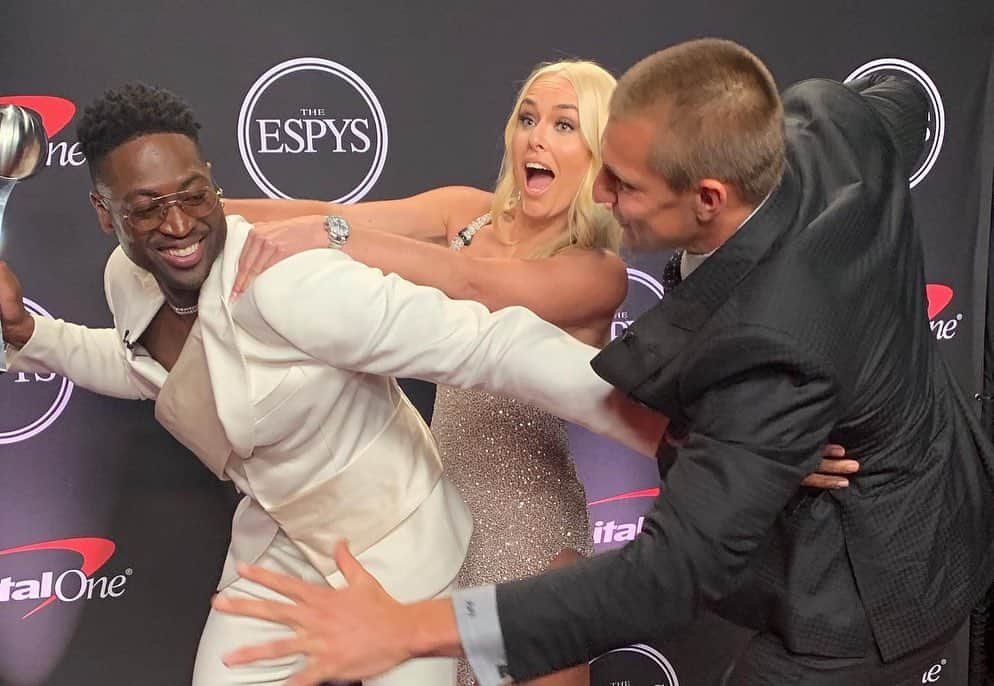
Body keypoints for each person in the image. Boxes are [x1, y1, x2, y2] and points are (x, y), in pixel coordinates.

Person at [212, 38, 994, 686]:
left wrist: (410, 630)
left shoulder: (769, 356)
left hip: (870, 582)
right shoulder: (830, 117)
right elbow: (892, 102)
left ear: (709, 197)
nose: (603, 193)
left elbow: (665, 575)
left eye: (622, 183)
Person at [0, 83, 666, 686]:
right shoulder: (127, 276)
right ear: (105, 214)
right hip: (278, 541)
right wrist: (32, 337)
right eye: (146, 209)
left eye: (191, 196)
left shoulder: (292, 285)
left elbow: (488, 337)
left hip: (401, 546)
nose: (176, 225)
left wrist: (669, 428)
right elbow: (153, 369)